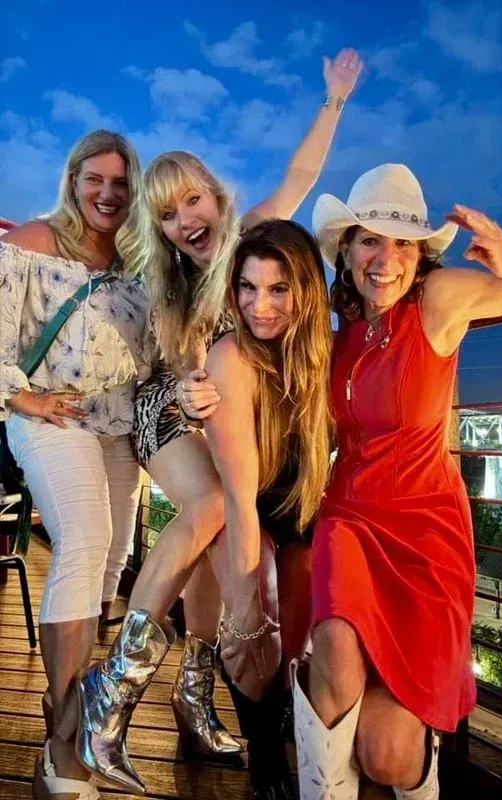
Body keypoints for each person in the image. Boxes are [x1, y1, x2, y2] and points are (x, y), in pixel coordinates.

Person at [72, 50, 363, 796]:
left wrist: (333, 100)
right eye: (168, 215)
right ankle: (113, 692)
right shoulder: (167, 279)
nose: (185, 221)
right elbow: (166, 363)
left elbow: (300, 176)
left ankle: (195, 693)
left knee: (215, 544)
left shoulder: (254, 243)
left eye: (192, 201)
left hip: (223, 420)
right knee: (210, 509)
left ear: (215, 195)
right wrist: (191, 387)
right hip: (166, 408)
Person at [289, 163, 502, 800]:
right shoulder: (339, 332)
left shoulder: (438, 301)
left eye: (403, 244)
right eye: (370, 240)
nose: (387, 259)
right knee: (335, 646)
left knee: (387, 756)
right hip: (348, 520)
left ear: (421, 256)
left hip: (425, 536)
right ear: (345, 250)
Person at [73, 220, 332, 798]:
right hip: (241, 497)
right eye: (248, 288)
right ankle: (123, 691)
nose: (259, 306)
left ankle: (201, 699)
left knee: (302, 606)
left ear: (307, 291)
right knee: (254, 608)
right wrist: (246, 608)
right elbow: (237, 498)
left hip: (296, 510)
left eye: (278, 289)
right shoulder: (232, 354)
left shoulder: (318, 354)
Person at [0, 130, 147, 800]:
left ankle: (74, 709)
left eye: (120, 182)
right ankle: (64, 738)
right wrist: (24, 397)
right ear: (73, 180)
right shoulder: (32, 243)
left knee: (111, 560)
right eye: (95, 179)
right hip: (50, 416)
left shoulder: (140, 262)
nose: (107, 193)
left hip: (119, 426)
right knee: (84, 541)